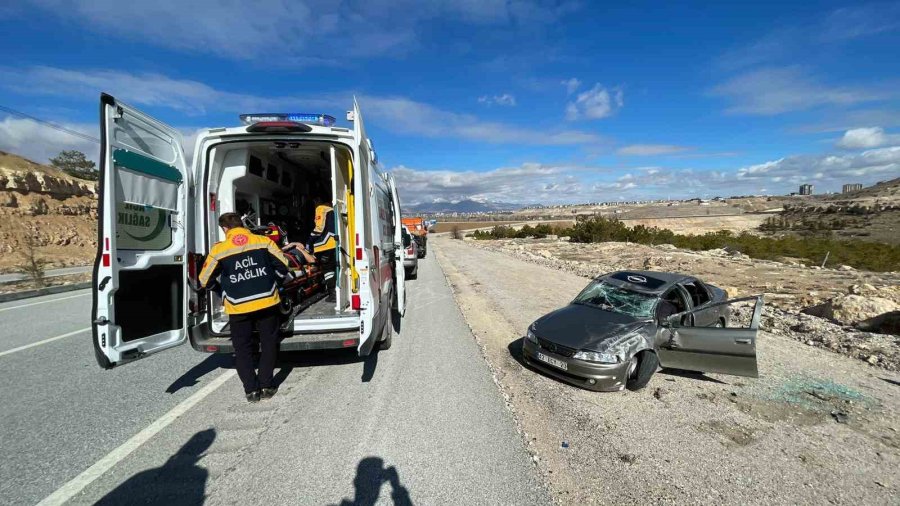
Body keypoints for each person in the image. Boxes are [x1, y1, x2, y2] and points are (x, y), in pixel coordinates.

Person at [199, 212, 292, 403]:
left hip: (237, 306)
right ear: (241, 224)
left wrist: (220, 291)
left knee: (242, 349)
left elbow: (203, 280)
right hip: (267, 301)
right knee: (268, 343)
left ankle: (251, 391)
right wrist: (274, 281)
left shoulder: (219, 250)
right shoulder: (263, 241)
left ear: (225, 229)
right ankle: (267, 385)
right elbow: (285, 265)